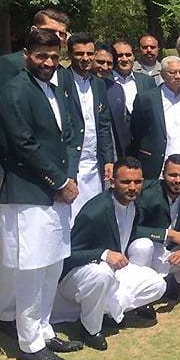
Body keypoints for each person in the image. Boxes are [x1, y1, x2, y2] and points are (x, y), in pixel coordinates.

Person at [0, 29, 83, 360]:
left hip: (57, 195)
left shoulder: (56, 88)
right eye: (41, 57)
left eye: (53, 57)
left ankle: (44, 330)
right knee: (32, 270)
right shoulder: (14, 89)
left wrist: (69, 177)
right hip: (29, 193)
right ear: (27, 55)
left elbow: (71, 134)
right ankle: (29, 342)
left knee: (52, 265)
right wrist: (59, 180)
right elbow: (22, 143)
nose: (48, 63)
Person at [51, 157, 166, 350]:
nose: (132, 187)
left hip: (113, 272)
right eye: (126, 182)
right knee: (101, 273)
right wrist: (103, 253)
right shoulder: (95, 212)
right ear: (112, 182)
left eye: (137, 182)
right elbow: (67, 255)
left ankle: (111, 311)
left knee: (158, 285)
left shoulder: (134, 204)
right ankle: (91, 329)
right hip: (77, 276)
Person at [126, 155, 180, 300]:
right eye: (172, 175)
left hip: (170, 253)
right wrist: (167, 234)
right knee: (142, 246)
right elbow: (133, 230)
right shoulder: (148, 194)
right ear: (163, 175)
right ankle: (139, 290)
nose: (178, 180)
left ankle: (168, 280)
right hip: (149, 250)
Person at [58, 33, 114, 225]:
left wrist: (108, 159)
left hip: (94, 164)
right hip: (70, 161)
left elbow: (104, 125)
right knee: (69, 218)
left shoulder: (98, 84)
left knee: (92, 217)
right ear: (70, 54)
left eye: (89, 53)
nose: (85, 58)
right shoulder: (60, 80)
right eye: (79, 53)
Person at [128, 56, 180, 179]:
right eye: (172, 72)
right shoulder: (146, 98)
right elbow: (137, 131)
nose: (177, 76)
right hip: (158, 166)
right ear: (162, 74)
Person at [0, 8, 70, 88]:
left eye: (61, 34)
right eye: (50, 31)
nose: (56, 36)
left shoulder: (63, 71)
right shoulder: (11, 63)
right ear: (34, 30)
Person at [108, 40, 157, 158]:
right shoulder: (105, 82)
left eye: (128, 55)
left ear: (134, 56)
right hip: (115, 145)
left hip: (142, 146)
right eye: (120, 56)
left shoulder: (147, 81)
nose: (125, 59)